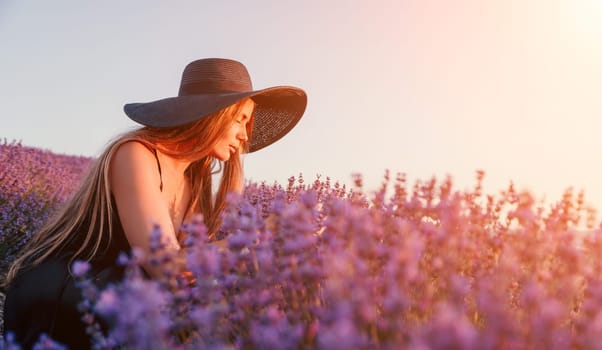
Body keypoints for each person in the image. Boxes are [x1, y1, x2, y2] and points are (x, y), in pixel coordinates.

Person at [2, 58, 307, 349]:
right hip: (62, 303)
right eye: (241, 119)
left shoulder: (195, 182)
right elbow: (166, 266)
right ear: (213, 114)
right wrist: (259, 237)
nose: (245, 135)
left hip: (123, 306)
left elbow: (189, 274)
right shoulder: (136, 154)